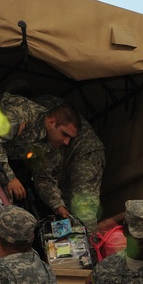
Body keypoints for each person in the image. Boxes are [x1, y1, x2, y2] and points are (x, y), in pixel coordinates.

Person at [33, 94, 105, 229]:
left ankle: (89, 245)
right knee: (65, 209)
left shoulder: (42, 108)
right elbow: (43, 177)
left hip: (86, 153)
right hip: (62, 159)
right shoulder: (37, 110)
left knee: (84, 208)